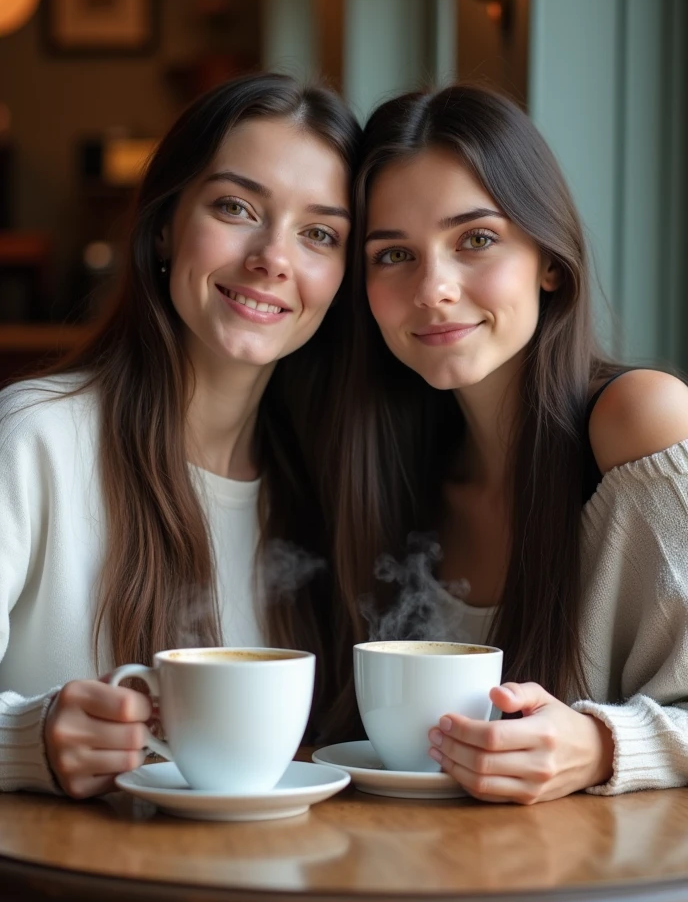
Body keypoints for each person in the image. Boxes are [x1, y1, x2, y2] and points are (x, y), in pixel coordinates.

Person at [0, 72, 360, 800]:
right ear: (165, 223)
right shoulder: (34, 438)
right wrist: (28, 738)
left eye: (319, 233)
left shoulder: (333, 482)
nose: (273, 257)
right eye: (236, 207)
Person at [332, 84, 688, 803]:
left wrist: (600, 744)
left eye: (477, 240)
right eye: (393, 253)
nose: (433, 288)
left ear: (549, 260)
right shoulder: (388, 469)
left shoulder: (639, 424)